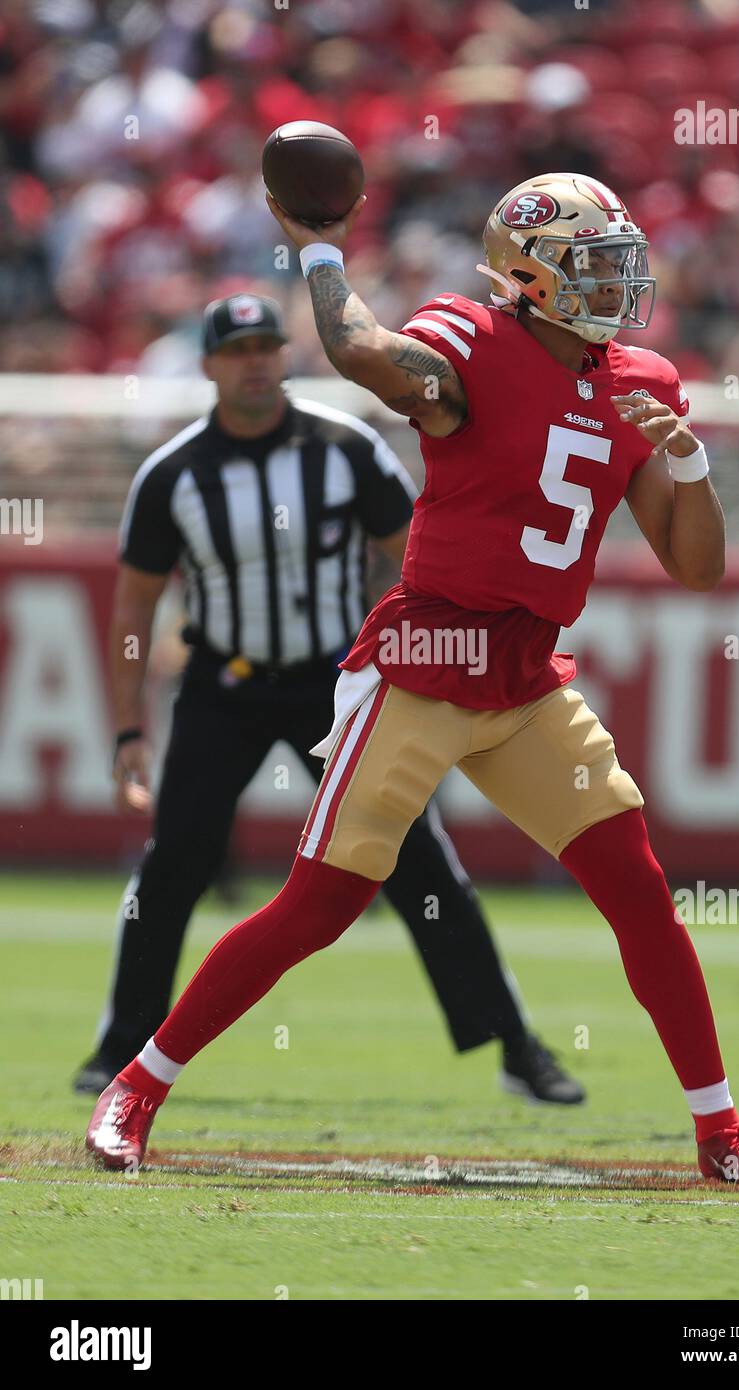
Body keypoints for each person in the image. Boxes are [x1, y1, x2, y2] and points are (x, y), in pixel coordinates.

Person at [87, 174, 739, 1183]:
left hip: (524, 673)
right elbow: (361, 352)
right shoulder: (472, 338)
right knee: (319, 905)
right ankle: (137, 1084)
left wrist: (685, 464)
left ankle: (721, 1128)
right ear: (525, 275)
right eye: (589, 263)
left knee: (638, 892)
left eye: (615, 262)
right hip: (424, 661)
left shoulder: (643, 378)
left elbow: (696, 566)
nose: (614, 283)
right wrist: (322, 253)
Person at [76, 292, 583, 1106]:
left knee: (421, 862)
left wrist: (411, 657)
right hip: (225, 685)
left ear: (285, 354)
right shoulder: (172, 471)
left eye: (267, 346)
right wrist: (129, 726)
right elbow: (135, 606)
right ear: (207, 365)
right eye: (238, 350)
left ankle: (515, 1046)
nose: (255, 362)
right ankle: (121, 1047)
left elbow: (420, 553)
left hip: (332, 684)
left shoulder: (344, 448)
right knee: (175, 865)